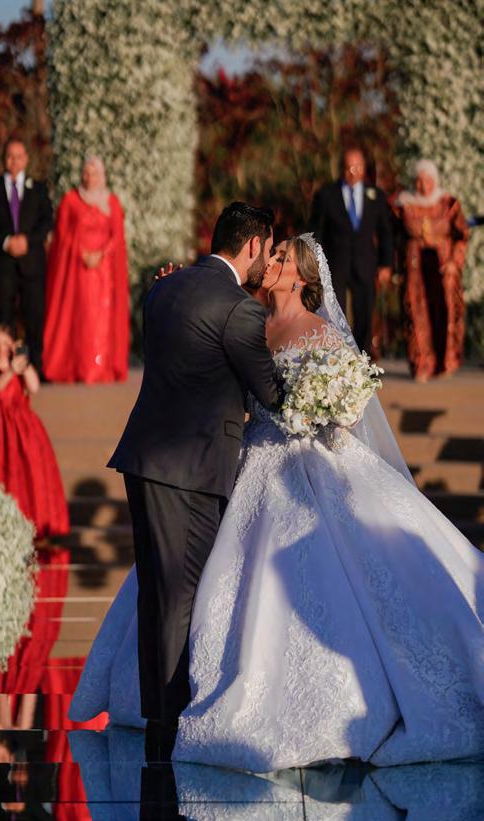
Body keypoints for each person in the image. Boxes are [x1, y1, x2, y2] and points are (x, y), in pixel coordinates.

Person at [70, 233, 484, 771]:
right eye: (274, 253)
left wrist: (322, 406)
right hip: (246, 460)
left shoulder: (324, 333)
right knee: (188, 574)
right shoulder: (247, 321)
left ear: (302, 277)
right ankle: (168, 697)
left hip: (309, 465)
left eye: (284, 257)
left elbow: (352, 409)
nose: (273, 261)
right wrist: (173, 291)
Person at [94, 203, 282, 763]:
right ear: (252, 245)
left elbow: (183, 364)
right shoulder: (238, 308)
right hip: (193, 470)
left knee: (158, 593)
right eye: (267, 249)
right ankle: (171, 722)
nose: (267, 262)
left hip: (144, 459)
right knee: (181, 597)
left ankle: (159, 715)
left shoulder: (163, 290)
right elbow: (271, 393)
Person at [0, 324, 69, 539]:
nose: (0, 348)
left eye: (5, 344)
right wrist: (10, 370)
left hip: (21, 430)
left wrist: (23, 363)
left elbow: (34, 387)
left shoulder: (21, 366)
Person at [42, 156, 130, 383]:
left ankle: (101, 367)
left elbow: (117, 236)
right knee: (82, 317)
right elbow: (61, 236)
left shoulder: (112, 202)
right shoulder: (70, 200)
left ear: (102, 175)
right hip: (78, 270)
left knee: (102, 318)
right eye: (86, 173)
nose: (90, 178)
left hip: (104, 272)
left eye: (95, 173)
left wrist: (101, 254)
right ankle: (81, 366)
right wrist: (82, 253)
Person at [0, 138, 53, 376]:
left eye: (19, 156)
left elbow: (47, 221)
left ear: (26, 159)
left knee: (34, 317)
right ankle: (5, 368)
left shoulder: (38, 189)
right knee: (4, 318)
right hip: (2, 266)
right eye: (10, 156)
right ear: (4, 159)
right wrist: (6, 241)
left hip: (32, 265)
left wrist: (27, 241)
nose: (14, 161)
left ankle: (34, 368)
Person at [308, 147, 393, 353]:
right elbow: (316, 232)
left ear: (364, 168)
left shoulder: (376, 196)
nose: (353, 172)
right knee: (335, 313)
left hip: (365, 264)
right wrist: (315, 263)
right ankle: (337, 356)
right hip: (335, 264)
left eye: (357, 167)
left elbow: (386, 232)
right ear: (341, 168)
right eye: (348, 167)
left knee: (364, 313)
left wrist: (386, 263)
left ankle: (363, 359)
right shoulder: (326, 195)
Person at [394, 159, 469, 381]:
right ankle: (422, 363)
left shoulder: (448, 203)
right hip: (415, 267)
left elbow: (461, 235)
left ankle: (446, 362)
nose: (423, 185)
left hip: (443, 267)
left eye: (428, 180)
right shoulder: (403, 205)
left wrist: (455, 262)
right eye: (419, 180)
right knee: (418, 314)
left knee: (444, 311)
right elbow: (393, 236)